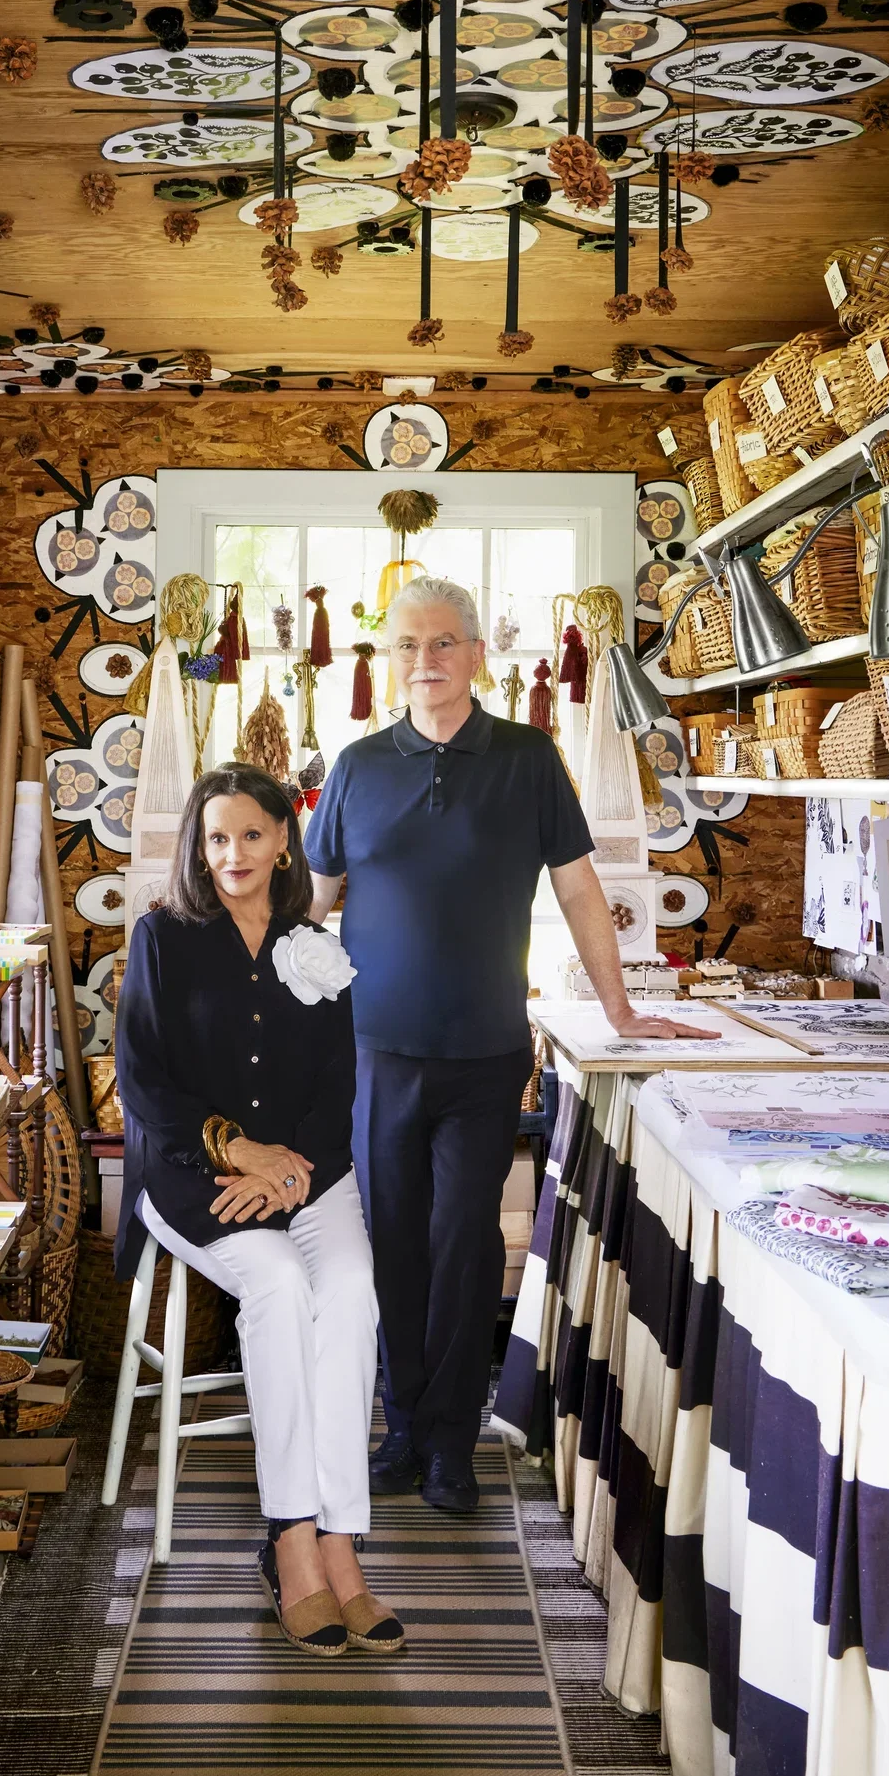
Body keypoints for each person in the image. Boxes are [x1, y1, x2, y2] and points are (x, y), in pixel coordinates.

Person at [305, 576, 644, 1513]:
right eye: (407, 645)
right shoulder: (358, 766)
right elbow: (312, 908)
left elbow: (580, 891)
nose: (425, 661)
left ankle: (450, 1438)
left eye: (444, 642)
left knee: (463, 1245)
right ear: (390, 659)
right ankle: (401, 1425)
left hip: (488, 1052)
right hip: (374, 1053)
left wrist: (619, 1010)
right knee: (392, 1246)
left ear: (476, 655)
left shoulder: (530, 759)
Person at [115, 762, 403, 1658]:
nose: (232, 854)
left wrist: (290, 1174)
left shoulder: (315, 945)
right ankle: (290, 1538)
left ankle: (341, 1543)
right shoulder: (162, 938)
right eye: (214, 838)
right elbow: (141, 1082)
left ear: (285, 839)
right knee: (277, 1285)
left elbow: (332, 1087)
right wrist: (236, 1152)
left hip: (308, 1174)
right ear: (198, 849)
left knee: (352, 1290)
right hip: (191, 1177)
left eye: (250, 834)